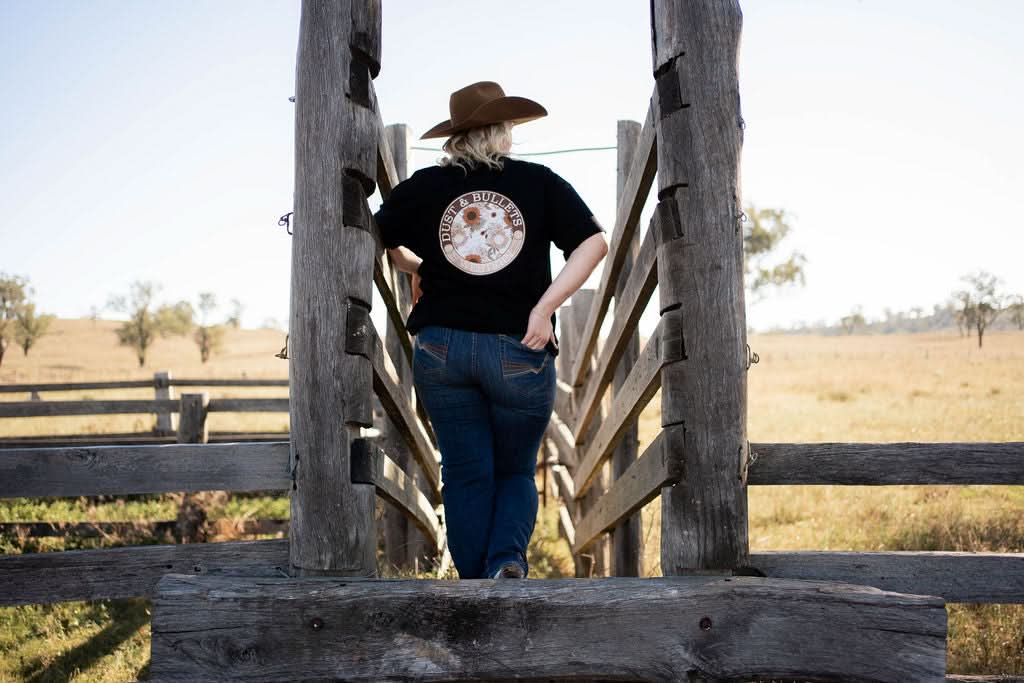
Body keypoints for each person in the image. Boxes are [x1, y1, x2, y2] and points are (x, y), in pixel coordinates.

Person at [373, 80, 608, 580]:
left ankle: (475, 585)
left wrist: (418, 269)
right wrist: (543, 309)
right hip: (518, 347)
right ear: (501, 131)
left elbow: (380, 237)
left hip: (441, 347)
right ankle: (506, 562)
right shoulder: (538, 182)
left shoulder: (424, 186)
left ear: (456, 138)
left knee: (464, 471)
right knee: (516, 470)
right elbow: (593, 244)